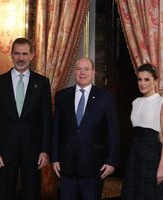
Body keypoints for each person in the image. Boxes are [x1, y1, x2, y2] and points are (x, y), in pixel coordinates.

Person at [0, 37, 52, 200]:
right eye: (17, 54)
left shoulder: (42, 83)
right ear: (11, 55)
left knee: (31, 195)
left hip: (33, 152)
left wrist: (45, 150)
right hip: (4, 152)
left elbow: (46, 120)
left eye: (24, 54)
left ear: (32, 55)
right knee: (4, 195)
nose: (20, 58)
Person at [51, 57, 119, 200]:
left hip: (94, 167)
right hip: (66, 165)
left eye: (86, 69)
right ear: (74, 72)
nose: (82, 73)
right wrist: (55, 158)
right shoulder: (62, 96)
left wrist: (111, 160)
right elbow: (56, 129)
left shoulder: (105, 97)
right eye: (79, 69)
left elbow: (112, 132)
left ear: (93, 72)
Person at [121, 63, 163, 200]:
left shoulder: (162, 103)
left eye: (147, 79)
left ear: (155, 81)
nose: (142, 83)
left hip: (153, 156)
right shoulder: (136, 102)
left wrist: (161, 166)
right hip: (135, 154)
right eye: (139, 79)